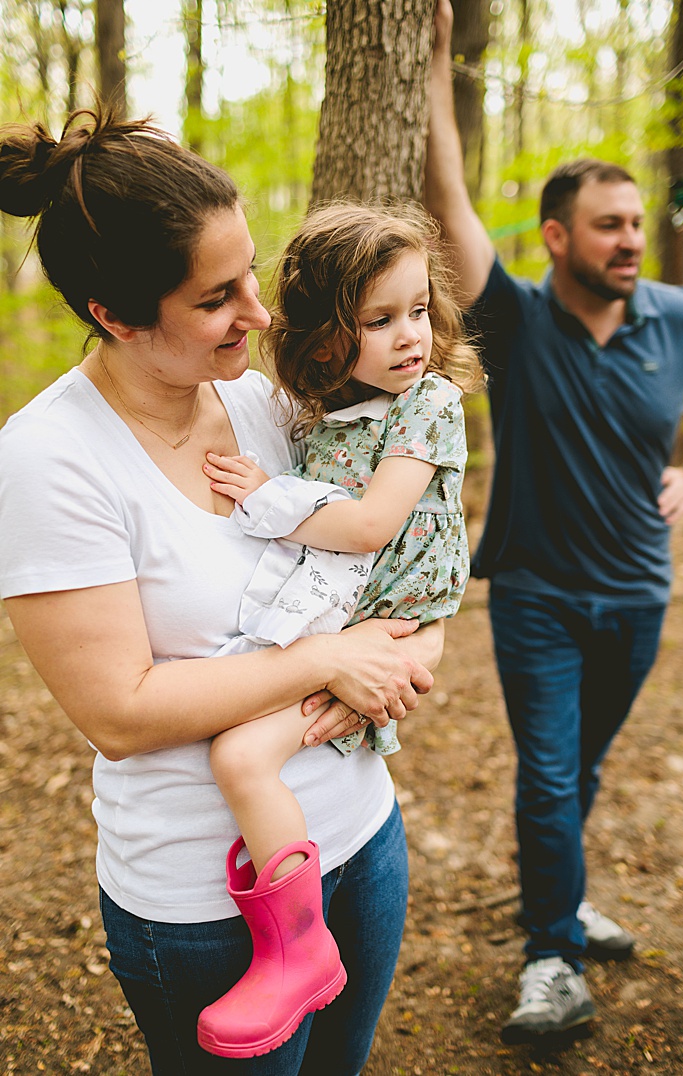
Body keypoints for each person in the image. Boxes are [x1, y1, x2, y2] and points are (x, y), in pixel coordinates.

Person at [0, 110, 441, 1075]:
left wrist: (415, 645)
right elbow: (121, 709)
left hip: (361, 838)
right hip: (204, 902)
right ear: (114, 314)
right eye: (216, 298)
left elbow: (392, 543)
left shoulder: (270, 396)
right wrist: (330, 659)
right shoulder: (48, 460)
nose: (259, 312)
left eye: (252, 274)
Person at [424, 0, 683, 1044]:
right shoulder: (512, 315)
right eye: (610, 224)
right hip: (538, 592)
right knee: (549, 773)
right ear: (557, 237)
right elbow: (446, 193)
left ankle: (563, 892)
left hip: (639, 595)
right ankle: (550, 952)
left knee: (580, 770)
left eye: (638, 222)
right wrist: (438, 61)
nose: (632, 239)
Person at [190, 203, 483, 1057]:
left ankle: (295, 946)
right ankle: (297, 939)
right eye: (379, 320)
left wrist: (261, 497)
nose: (411, 336)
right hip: (343, 626)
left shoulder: (427, 404)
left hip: (384, 619)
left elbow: (367, 527)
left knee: (241, 754)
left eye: (420, 311)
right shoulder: (318, 415)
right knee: (245, 748)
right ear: (325, 340)